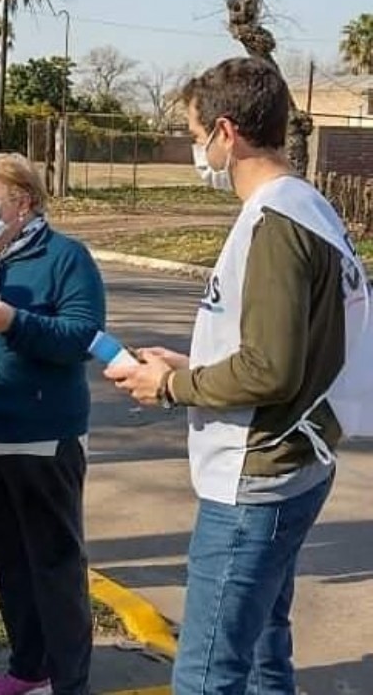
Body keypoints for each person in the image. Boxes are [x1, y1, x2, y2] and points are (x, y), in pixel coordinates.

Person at [105, 57, 366, 695]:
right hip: (296, 458)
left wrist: (170, 386)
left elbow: (271, 369)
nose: (198, 151)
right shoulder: (308, 206)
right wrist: (190, 366)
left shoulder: (277, 222)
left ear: (227, 132)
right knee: (262, 652)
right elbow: (285, 347)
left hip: (258, 475)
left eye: (197, 137)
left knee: (208, 671)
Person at [0, 153, 105, 695]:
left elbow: (82, 335)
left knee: (54, 566)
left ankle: (69, 681)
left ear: (22, 201)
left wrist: (14, 322)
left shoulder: (65, 257)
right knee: (2, 559)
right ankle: (28, 667)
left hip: (39, 440)